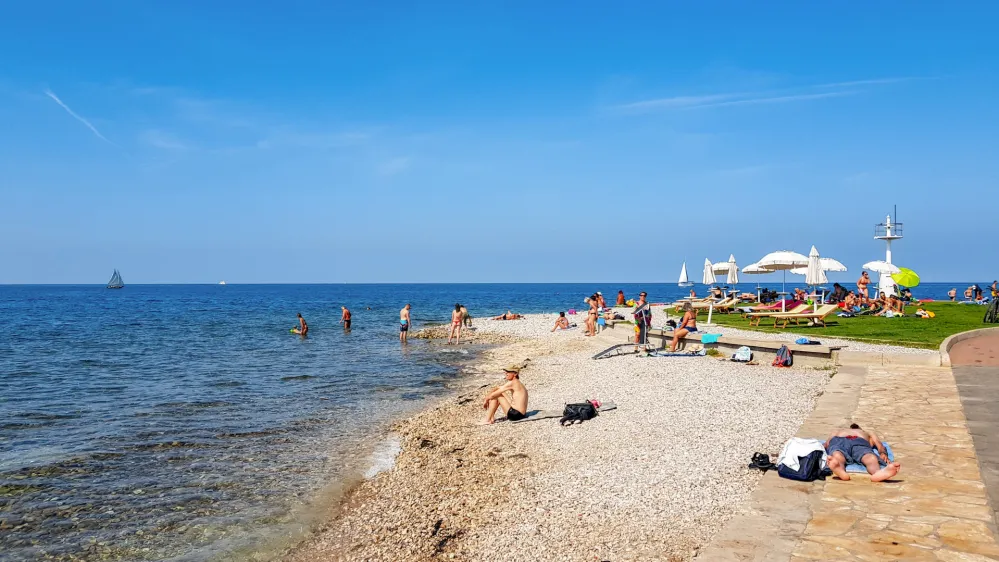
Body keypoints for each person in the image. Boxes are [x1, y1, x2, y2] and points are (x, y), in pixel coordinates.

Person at [824, 423, 900, 482]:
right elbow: (879, 444)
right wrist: (882, 453)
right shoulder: (865, 433)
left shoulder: (839, 431)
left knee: (838, 455)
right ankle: (840, 470)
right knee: (870, 458)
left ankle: (877, 474)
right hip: (848, 441)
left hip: (851, 442)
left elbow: (827, 443)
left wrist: (883, 453)